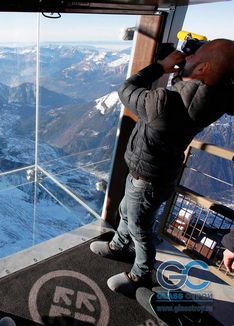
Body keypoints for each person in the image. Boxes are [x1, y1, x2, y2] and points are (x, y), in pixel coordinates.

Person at [90, 38, 234, 296]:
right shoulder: (218, 96)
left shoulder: (165, 103)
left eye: (194, 55)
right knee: (126, 210)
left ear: (203, 69)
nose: (186, 57)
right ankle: (118, 245)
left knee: (140, 227)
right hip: (159, 174)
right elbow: (213, 78)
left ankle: (140, 274)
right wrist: (188, 72)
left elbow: (126, 89)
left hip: (145, 177)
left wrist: (159, 66)